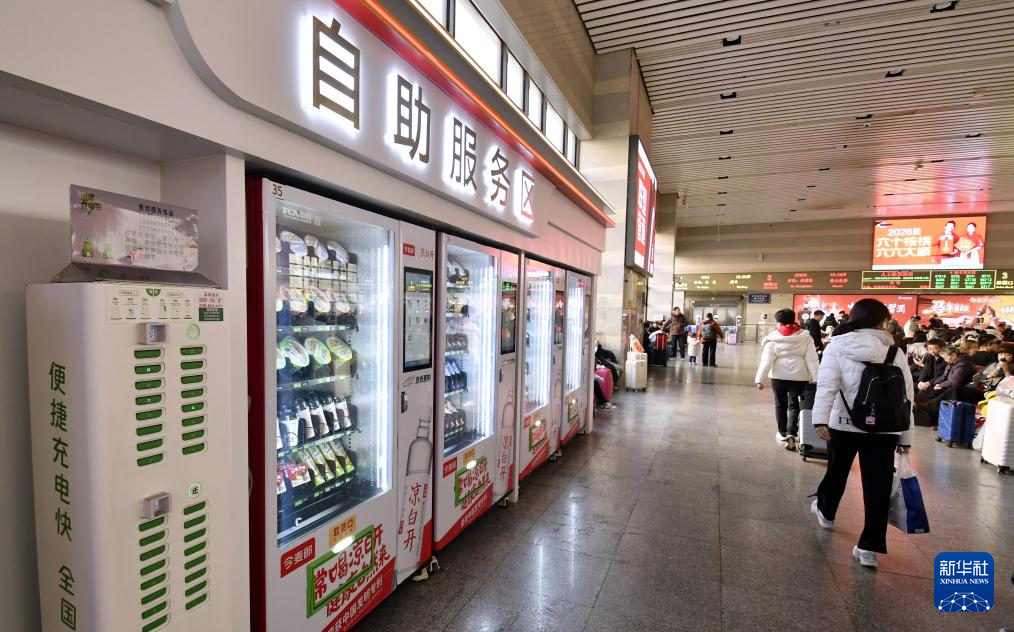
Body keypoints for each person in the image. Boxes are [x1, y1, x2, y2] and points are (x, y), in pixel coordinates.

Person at [810, 298, 913, 568]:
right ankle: (869, 548)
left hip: (844, 424)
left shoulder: (837, 346)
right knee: (878, 487)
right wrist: (906, 438)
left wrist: (819, 420)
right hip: (885, 429)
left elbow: (827, 386)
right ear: (883, 321)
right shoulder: (895, 352)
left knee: (837, 470)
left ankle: (826, 512)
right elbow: (906, 398)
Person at [755, 308, 820, 451]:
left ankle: (782, 432)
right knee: (794, 404)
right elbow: (812, 360)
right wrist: (816, 378)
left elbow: (766, 361)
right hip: (799, 377)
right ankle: (792, 432)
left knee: (780, 404)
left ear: (779, 322)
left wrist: (760, 379)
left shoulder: (773, 338)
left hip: (778, 376)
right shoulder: (806, 337)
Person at [914, 345, 975, 426]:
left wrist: (941, 385)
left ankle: (927, 407)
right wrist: (936, 383)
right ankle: (922, 408)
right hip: (949, 386)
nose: (945, 360)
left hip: (958, 389)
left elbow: (955, 381)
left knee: (942, 392)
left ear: (953, 355)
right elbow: (944, 376)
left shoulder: (963, 364)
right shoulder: (952, 362)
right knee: (928, 389)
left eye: (946, 358)